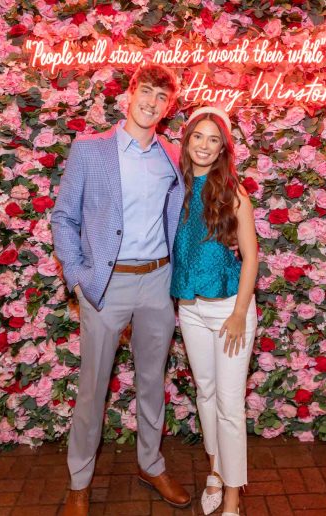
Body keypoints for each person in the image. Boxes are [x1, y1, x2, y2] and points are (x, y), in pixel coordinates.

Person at [51, 64, 191, 516]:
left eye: (161, 98)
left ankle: (151, 464)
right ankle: (78, 481)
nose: (151, 103)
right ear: (130, 94)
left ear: (169, 108)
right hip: (105, 287)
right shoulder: (91, 150)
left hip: (157, 282)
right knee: (93, 388)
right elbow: (63, 217)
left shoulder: (172, 156)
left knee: (152, 384)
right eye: (146, 92)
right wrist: (77, 275)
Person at [170, 107, 259, 516]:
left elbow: (252, 257)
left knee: (228, 403)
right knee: (205, 394)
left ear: (223, 148)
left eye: (213, 140)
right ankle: (215, 471)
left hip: (228, 310)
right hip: (189, 308)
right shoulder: (178, 189)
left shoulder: (234, 193)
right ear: (186, 142)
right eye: (197, 137)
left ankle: (232, 497)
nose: (204, 146)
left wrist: (240, 312)